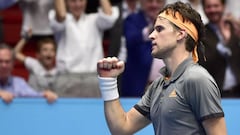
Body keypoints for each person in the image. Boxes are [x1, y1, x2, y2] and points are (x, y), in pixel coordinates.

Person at [97, 1, 227, 134]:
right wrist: (109, 81)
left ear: (180, 34)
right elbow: (121, 128)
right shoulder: (158, 85)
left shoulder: (198, 79)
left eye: (159, 29)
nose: (151, 35)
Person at [48, 0, 119, 97]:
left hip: (92, 77)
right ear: (66, 3)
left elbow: (109, 17)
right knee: (65, 112)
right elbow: (61, 15)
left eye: (81, 0)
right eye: (73, 1)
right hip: (67, 78)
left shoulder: (94, 19)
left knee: (95, 112)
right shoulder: (58, 18)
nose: (77, 4)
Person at [121, 0, 165, 97]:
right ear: (141, 2)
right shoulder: (132, 20)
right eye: (150, 1)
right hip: (138, 87)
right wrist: (153, 28)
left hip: (166, 86)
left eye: (158, 1)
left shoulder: (172, 23)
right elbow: (131, 39)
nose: (154, 5)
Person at [198, 0, 240, 98]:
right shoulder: (201, 34)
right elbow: (203, 62)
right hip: (215, 94)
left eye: (216, 6)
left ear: (223, 6)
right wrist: (224, 45)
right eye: (208, 6)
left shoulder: (235, 29)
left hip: (238, 91)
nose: (212, 10)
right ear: (204, 9)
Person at [14, 29, 58, 93]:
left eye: (52, 50)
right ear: (38, 55)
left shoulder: (59, 69)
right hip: (35, 100)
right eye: (45, 50)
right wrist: (25, 38)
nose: (49, 53)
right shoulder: (34, 64)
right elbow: (15, 53)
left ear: (55, 54)